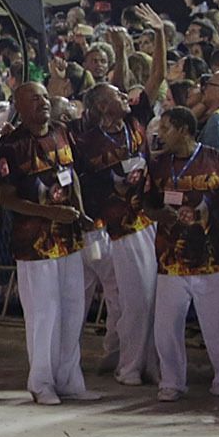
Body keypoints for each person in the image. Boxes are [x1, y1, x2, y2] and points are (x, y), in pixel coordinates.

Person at [0, 81, 95, 404]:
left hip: (68, 237)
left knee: (73, 308)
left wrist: (78, 210)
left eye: (44, 97)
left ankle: (69, 378)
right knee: (43, 313)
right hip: (34, 244)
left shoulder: (62, 132)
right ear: (19, 108)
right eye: (34, 99)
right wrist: (49, 212)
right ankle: (41, 382)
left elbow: (72, 173)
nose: (43, 103)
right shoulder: (11, 146)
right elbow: (6, 198)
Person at [144, 106, 219, 402]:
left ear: (183, 129)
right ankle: (171, 381)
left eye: (166, 128)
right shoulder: (157, 166)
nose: (160, 134)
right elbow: (146, 206)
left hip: (216, 258)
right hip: (171, 259)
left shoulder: (218, 160)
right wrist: (160, 214)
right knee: (167, 326)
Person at [70, 80, 155, 386]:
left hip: (147, 219)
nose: (125, 96)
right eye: (117, 95)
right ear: (104, 107)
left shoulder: (135, 122)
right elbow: (81, 182)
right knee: (130, 298)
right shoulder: (86, 142)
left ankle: (131, 360)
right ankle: (123, 364)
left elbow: (153, 83)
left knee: (143, 298)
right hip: (112, 228)